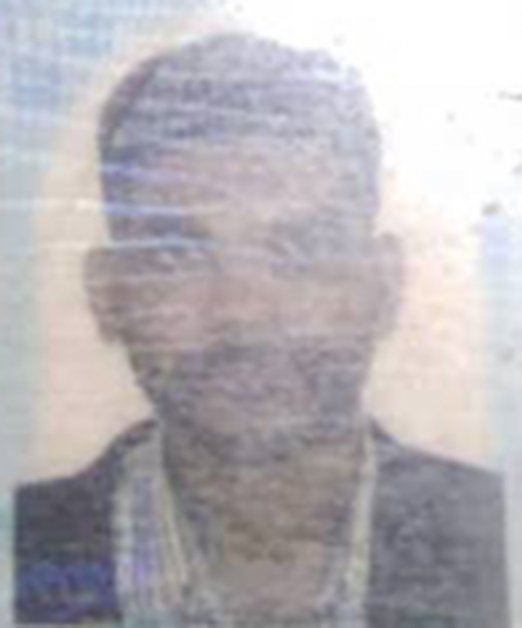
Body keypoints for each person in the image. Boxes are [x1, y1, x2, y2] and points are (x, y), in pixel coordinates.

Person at [15, 33, 508, 626]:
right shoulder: (22, 549)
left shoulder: (499, 535)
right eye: (178, 256)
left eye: (300, 250)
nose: (244, 314)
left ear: (382, 285)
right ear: (109, 295)